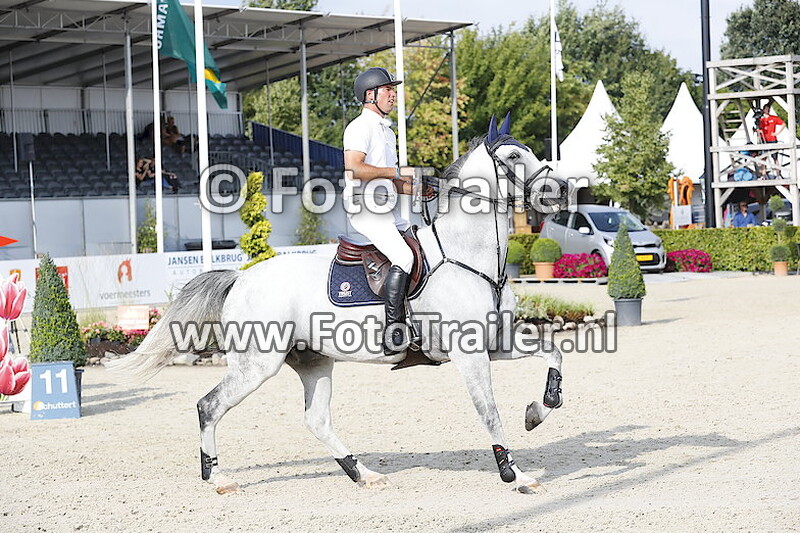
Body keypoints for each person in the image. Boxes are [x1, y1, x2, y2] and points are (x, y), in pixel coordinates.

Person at [343, 67, 415, 355]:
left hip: (386, 208)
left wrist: (422, 188)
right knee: (404, 256)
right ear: (370, 94)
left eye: (393, 90)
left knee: (421, 246)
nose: (393, 95)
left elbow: (388, 178)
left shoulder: (386, 131)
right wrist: (395, 172)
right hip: (365, 208)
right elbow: (354, 168)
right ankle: (393, 333)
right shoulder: (360, 127)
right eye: (388, 90)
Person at [756, 102, 785, 176]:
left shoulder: (773, 118)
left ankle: (778, 174)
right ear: (763, 110)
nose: (767, 110)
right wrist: (758, 131)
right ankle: (764, 175)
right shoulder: (761, 120)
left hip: (772, 140)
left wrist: (777, 133)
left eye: (768, 109)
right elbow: (758, 129)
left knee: (775, 158)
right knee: (763, 158)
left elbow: (783, 124)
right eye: (766, 109)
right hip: (764, 140)